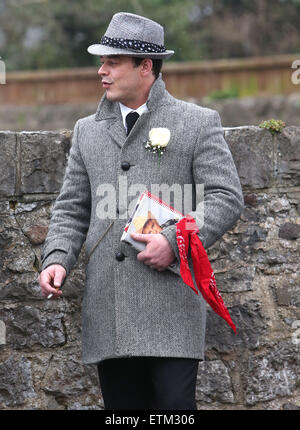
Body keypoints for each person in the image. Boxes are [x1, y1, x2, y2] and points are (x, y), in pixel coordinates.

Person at [38, 12, 244, 410]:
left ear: (145, 66)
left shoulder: (197, 122)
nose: (102, 71)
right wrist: (57, 257)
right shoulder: (87, 130)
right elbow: (72, 207)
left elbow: (225, 197)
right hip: (108, 311)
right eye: (102, 62)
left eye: (112, 62)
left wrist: (174, 242)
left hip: (171, 307)